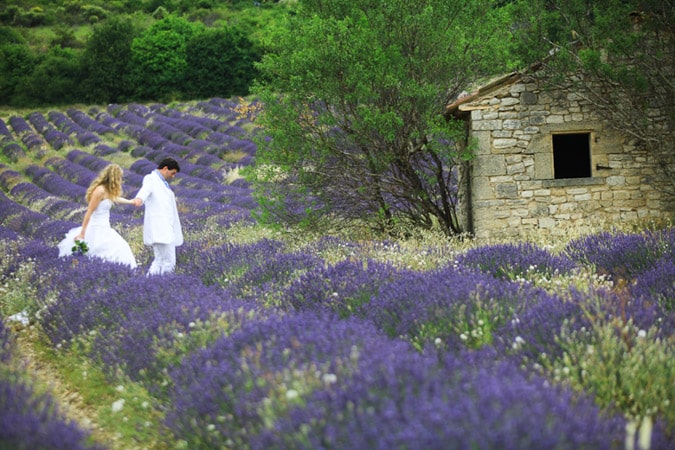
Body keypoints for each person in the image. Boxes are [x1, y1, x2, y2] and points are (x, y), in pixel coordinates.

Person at [58, 164, 137, 268]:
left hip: (105, 228)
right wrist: (82, 233)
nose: (120, 180)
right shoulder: (100, 190)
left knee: (119, 249)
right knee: (100, 252)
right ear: (114, 177)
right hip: (95, 228)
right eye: (119, 178)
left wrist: (131, 202)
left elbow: (115, 198)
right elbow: (89, 212)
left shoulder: (107, 190)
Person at [133, 157, 183, 275]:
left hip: (165, 228)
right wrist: (139, 198)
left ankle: (149, 284)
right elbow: (145, 190)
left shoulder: (162, 183)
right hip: (160, 227)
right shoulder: (151, 179)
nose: (173, 176)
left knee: (160, 260)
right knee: (168, 261)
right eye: (172, 173)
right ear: (165, 169)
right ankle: (162, 285)